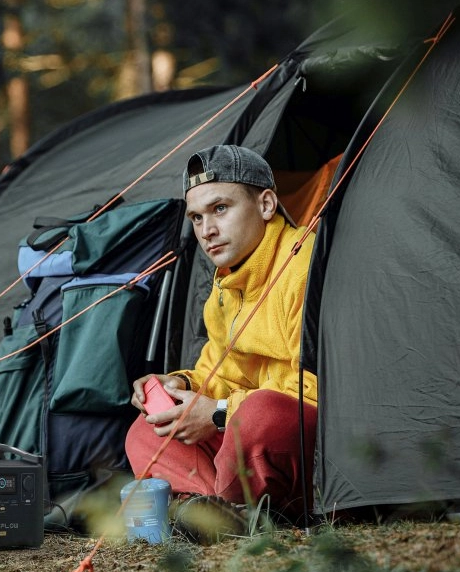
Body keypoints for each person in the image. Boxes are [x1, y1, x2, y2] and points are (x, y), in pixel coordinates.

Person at [125, 144, 318, 540]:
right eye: (196, 217)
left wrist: (218, 414)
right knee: (145, 431)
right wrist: (180, 386)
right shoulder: (226, 286)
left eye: (220, 209)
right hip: (243, 442)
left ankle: (213, 509)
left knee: (260, 413)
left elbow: (320, 389)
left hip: (306, 441)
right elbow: (219, 372)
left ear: (266, 204)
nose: (206, 230)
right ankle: (225, 512)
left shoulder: (305, 268)